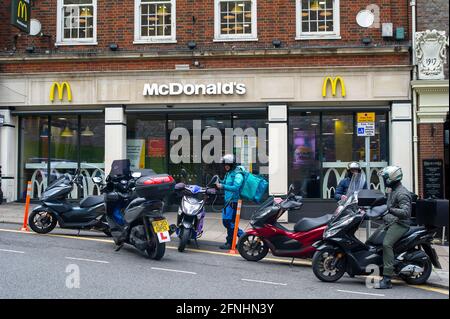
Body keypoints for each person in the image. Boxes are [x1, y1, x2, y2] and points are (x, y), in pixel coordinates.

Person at [375, 165, 412, 289]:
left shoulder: (402, 193)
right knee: (373, 241)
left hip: (401, 223)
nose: (384, 181)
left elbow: (406, 212)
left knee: (386, 244)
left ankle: (387, 279)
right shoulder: (392, 190)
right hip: (391, 221)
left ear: (392, 178)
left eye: (385, 178)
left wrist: (390, 210)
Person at [215, 154, 244, 250]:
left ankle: (242, 237)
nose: (225, 166)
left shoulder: (238, 174)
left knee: (230, 223)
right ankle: (231, 241)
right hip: (228, 202)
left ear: (232, 164)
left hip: (234, 202)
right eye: (224, 164)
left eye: (227, 164)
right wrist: (220, 182)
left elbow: (236, 187)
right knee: (227, 222)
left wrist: (223, 186)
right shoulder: (229, 173)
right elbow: (226, 183)